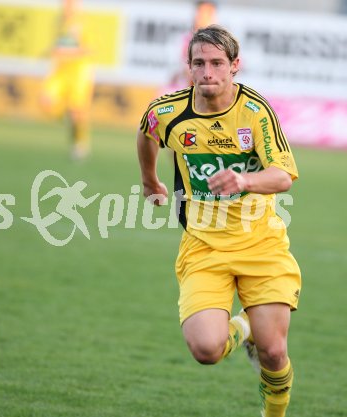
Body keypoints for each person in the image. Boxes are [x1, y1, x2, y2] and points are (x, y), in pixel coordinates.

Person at [137, 25, 301, 417]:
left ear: (234, 66)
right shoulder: (168, 111)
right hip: (204, 248)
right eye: (199, 64)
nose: (207, 72)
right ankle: (243, 329)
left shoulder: (255, 111)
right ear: (188, 67)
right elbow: (147, 133)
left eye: (216, 63)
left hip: (261, 244)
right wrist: (150, 180)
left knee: (274, 352)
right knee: (206, 350)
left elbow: (284, 176)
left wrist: (244, 179)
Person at [40, 0, 94, 160]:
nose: (67, 5)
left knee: (77, 111)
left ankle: (80, 144)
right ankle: (66, 116)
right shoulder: (58, 21)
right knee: (45, 101)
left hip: (79, 71)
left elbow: (89, 49)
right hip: (60, 70)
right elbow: (57, 45)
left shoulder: (84, 22)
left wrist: (68, 51)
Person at [164, 1, 217, 93]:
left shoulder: (221, 42)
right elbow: (181, 67)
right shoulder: (185, 40)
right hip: (187, 89)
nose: (204, 17)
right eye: (202, 13)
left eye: (208, 13)